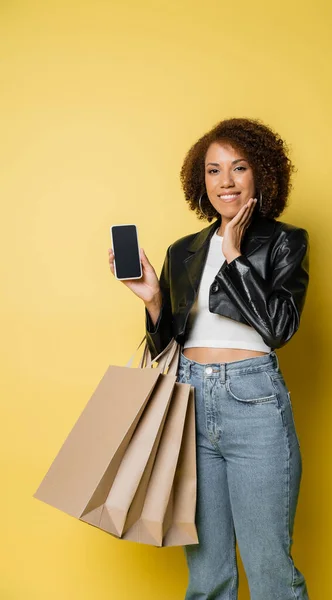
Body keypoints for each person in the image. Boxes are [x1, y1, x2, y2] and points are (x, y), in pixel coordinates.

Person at [108, 117, 310, 600]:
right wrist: (154, 300)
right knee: (208, 576)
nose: (226, 181)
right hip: (191, 402)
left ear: (260, 174)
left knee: (271, 571)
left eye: (238, 168)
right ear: (201, 182)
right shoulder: (185, 250)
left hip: (254, 401)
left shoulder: (285, 241)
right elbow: (168, 346)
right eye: (213, 170)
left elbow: (279, 328)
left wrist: (236, 256)